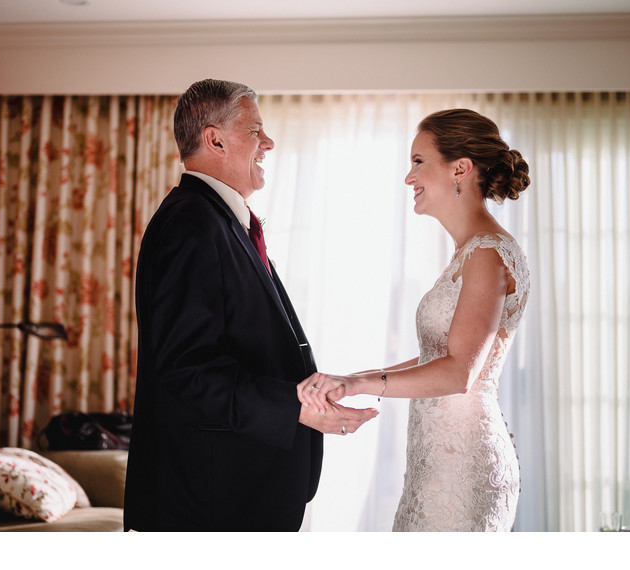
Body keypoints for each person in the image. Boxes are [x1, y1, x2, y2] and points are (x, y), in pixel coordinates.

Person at [123, 79, 378, 532]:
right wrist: (295, 408)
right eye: (256, 130)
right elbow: (187, 373)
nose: (269, 142)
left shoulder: (219, 220)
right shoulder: (191, 225)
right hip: (210, 508)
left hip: (237, 496)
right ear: (215, 139)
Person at [298, 109, 530, 531]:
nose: (409, 177)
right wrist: (348, 378)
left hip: (461, 469)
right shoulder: (470, 252)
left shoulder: (487, 254)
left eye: (418, 162)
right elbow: (435, 355)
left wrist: (361, 384)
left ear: (460, 168)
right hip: (436, 460)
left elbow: (460, 372)